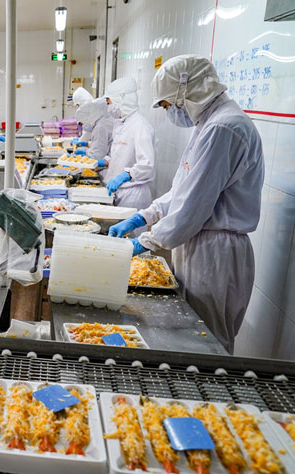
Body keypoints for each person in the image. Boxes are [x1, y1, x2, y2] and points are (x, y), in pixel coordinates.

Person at [109, 54, 263, 353]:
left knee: (207, 342)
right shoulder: (209, 124)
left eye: (168, 104)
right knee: (194, 336)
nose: (169, 111)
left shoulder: (223, 128)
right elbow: (183, 189)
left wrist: (145, 241)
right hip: (201, 243)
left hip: (215, 252)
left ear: (186, 93)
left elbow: (192, 207)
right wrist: (144, 216)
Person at [102, 77, 155, 213]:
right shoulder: (120, 123)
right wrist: (104, 162)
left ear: (121, 99)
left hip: (133, 195)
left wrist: (125, 175)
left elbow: (147, 165)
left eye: (109, 102)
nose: (109, 107)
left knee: (129, 227)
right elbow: (119, 156)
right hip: (119, 191)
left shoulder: (140, 126)